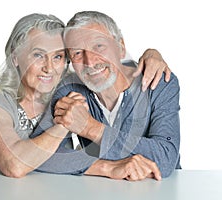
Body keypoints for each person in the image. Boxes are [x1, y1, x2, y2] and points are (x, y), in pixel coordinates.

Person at [0, 13, 172, 178]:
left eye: (58, 56)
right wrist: (67, 124)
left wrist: (152, 54)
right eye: (38, 55)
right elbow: (14, 165)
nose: (49, 68)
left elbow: (102, 65)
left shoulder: (66, 91)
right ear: (15, 57)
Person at [32, 11, 181, 181]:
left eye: (99, 46)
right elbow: (36, 154)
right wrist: (105, 168)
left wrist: (89, 128)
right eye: (78, 53)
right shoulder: (70, 90)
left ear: (121, 47)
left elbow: (167, 158)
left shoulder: (157, 81)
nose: (90, 61)